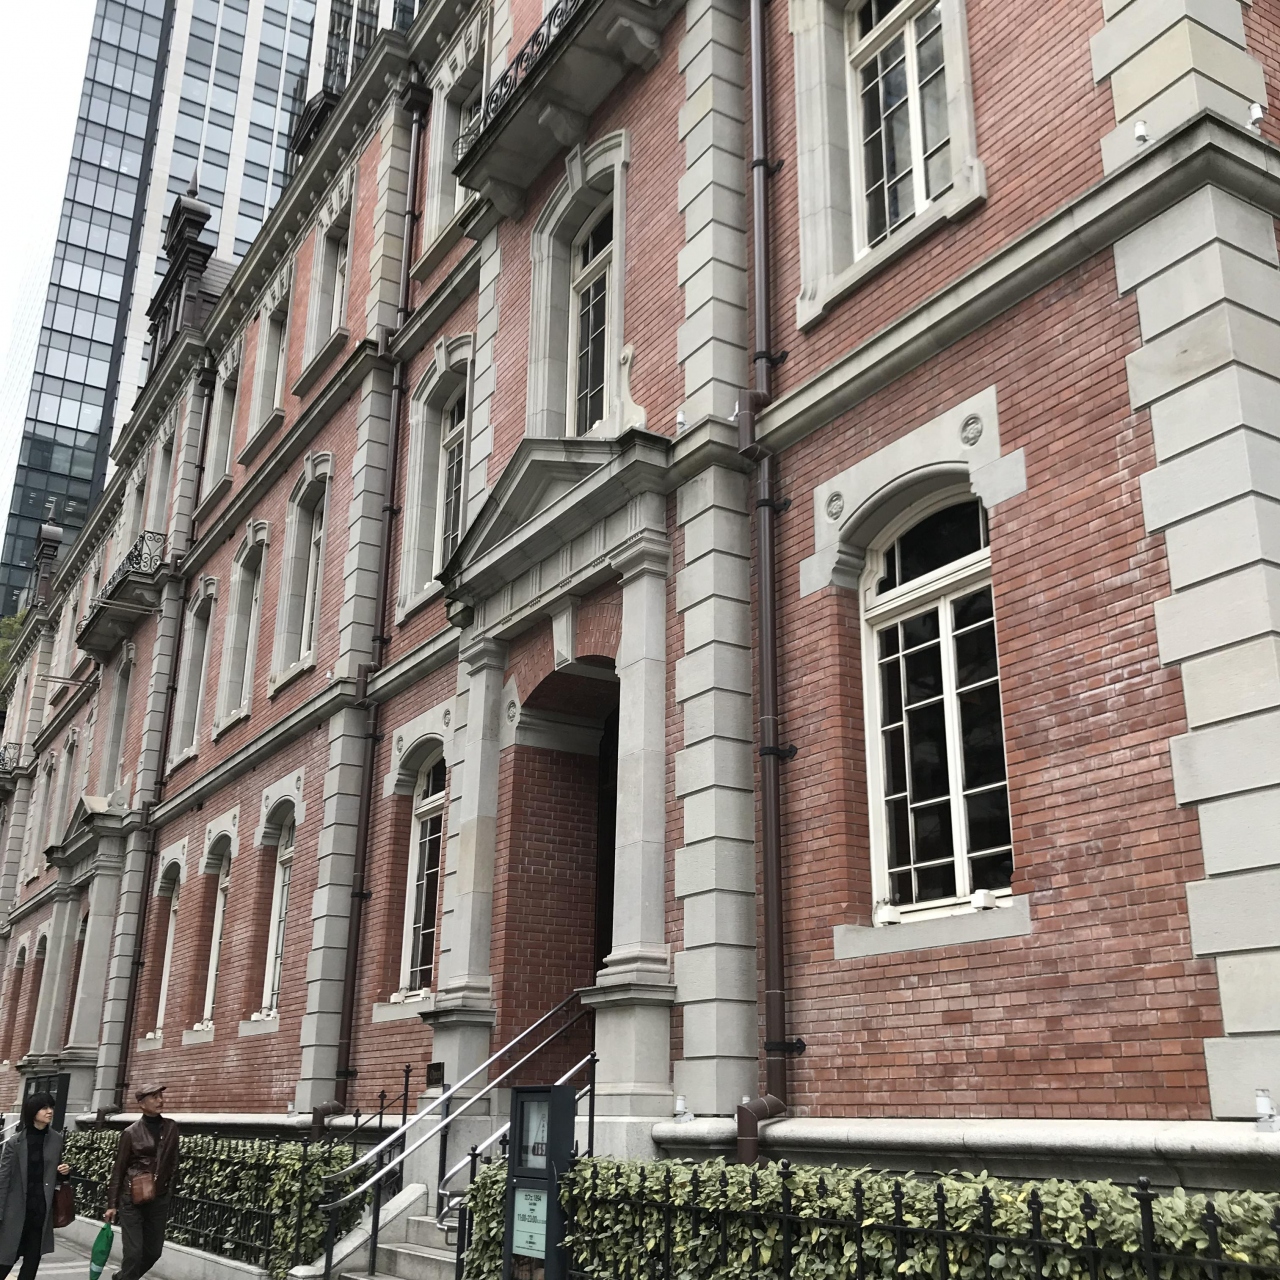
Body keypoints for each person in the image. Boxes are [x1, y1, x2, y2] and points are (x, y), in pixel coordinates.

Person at [104, 1084, 179, 1280]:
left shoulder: (171, 1127)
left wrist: (168, 1192)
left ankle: (122, 1278)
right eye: (154, 1097)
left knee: (153, 1252)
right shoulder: (131, 1132)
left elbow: (173, 1162)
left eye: (160, 1096)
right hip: (132, 1199)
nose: (160, 1101)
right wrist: (112, 1205)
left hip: (158, 1198)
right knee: (134, 1253)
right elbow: (119, 1169)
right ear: (142, 1104)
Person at [0, 1091, 73, 1280]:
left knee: (32, 1262)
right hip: (15, 1212)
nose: (50, 1111)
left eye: (51, 1107)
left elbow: (54, 1175)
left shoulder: (56, 1139)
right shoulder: (16, 1142)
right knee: (5, 1260)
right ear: (33, 1112)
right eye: (44, 1108)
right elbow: (3, 1180)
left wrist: (64, 1173)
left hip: (40, 1212)